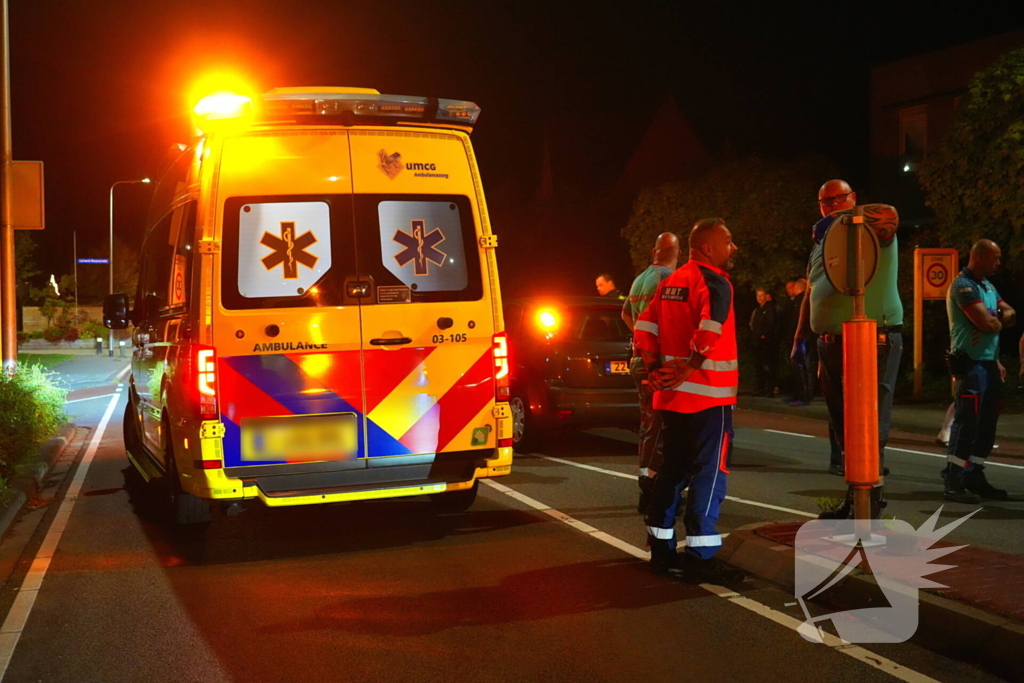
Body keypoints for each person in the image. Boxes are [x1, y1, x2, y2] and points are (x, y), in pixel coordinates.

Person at [634, 218, 744, 584]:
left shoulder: (670, 281)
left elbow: (644, 327)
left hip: (672, 399)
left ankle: (661, 550)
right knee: (709, 476)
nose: (734, 247)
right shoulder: (714, 281)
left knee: (671, 473)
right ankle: (701, 555)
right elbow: (710, 328)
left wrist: (654, 369)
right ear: (709, 247)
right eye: (728, 241)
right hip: (710, 397)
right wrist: (689, 367)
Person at [791, 179, 901, 517]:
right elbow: (812, 292)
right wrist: (800, 338)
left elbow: (890, 214)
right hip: (831, 342)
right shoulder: (822, 242)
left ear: (854, 198)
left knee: (868, 422)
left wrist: (845, 216)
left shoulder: (868, 230)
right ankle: (856, 499)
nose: (832, 204)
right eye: (826, 201)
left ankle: (871, 504)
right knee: (843, 426)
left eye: (841, 198)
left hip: (873, 338)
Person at [943, 239, 1016, 502]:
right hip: (971, 364)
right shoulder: (963, 286)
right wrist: (996, 319)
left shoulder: (986, 285)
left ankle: (974, 473)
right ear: (981, 257)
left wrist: (996, 315)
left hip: (988, 363)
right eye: (995, 258)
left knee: (987, 425)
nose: (998, 262)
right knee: (967, 423)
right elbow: (986, 324)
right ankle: (954, 477)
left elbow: (1009, 312)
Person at [622, 233, 680, 513]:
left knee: (649, 425)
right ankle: (655, 490)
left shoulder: (639, 279)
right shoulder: (668, 279)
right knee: (664, 428)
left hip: (637, 360)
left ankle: (646, 482)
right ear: (677, 252)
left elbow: (625, 314)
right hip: (656, 362)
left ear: (654, 252)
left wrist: (639, 337)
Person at [749, 287, 778, 397]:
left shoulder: (770, 309)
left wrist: (764, 335)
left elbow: (771, 325)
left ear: (766, 296)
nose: (760, 298)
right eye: (758, 296)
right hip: (757, 342)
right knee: (759, 366)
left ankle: (768, 389)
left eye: (762, 295)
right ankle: (760, 387)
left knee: (768, 366)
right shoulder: (758, 310)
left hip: (766, 343)